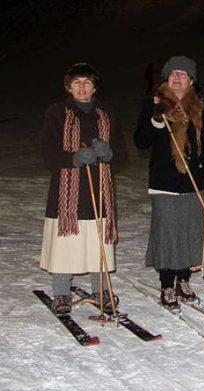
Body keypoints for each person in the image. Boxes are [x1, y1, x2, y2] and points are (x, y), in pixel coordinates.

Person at [39, 63, 125, 315]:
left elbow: (120, 150)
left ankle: (100, 291)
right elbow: (48, 151)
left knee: (97, 240)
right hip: (67, 192)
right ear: (68, 87)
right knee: (66, 242)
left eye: (87, 82)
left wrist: (109, 152)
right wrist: (74, 158)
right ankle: (62, 292)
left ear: (95, 86)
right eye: (76, 82)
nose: (82, 87)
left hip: (99, 188)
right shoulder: (57, 112)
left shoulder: (106, 112)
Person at [134, 55, 204, 311]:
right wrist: (157, 121)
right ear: (167, 79)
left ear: (191, 80)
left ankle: (184, 280)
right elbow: (141, 141)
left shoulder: (200, 106)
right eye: (173, 74)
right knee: (168, 233)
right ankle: (167, 284)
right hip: (165, 180)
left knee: (190, 232)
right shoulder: (154, 103)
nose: (178, 77)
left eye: (183, 74)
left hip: (195, 181)